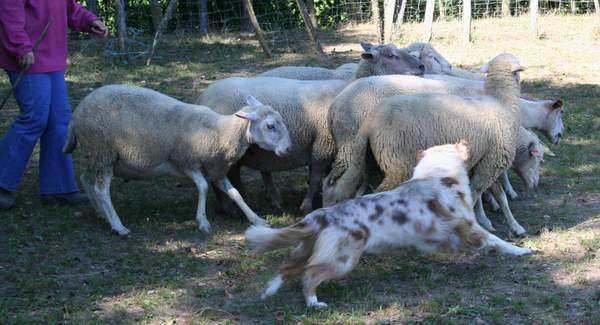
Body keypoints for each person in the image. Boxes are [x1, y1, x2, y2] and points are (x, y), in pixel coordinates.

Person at [0, 1, 108, 209]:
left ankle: (58, 188)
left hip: (52, 59)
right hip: (27, 58)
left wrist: (89, 21)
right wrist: (20, 47)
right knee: (34, 118)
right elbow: (9, 14)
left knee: (59, 122)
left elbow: (68, 7)